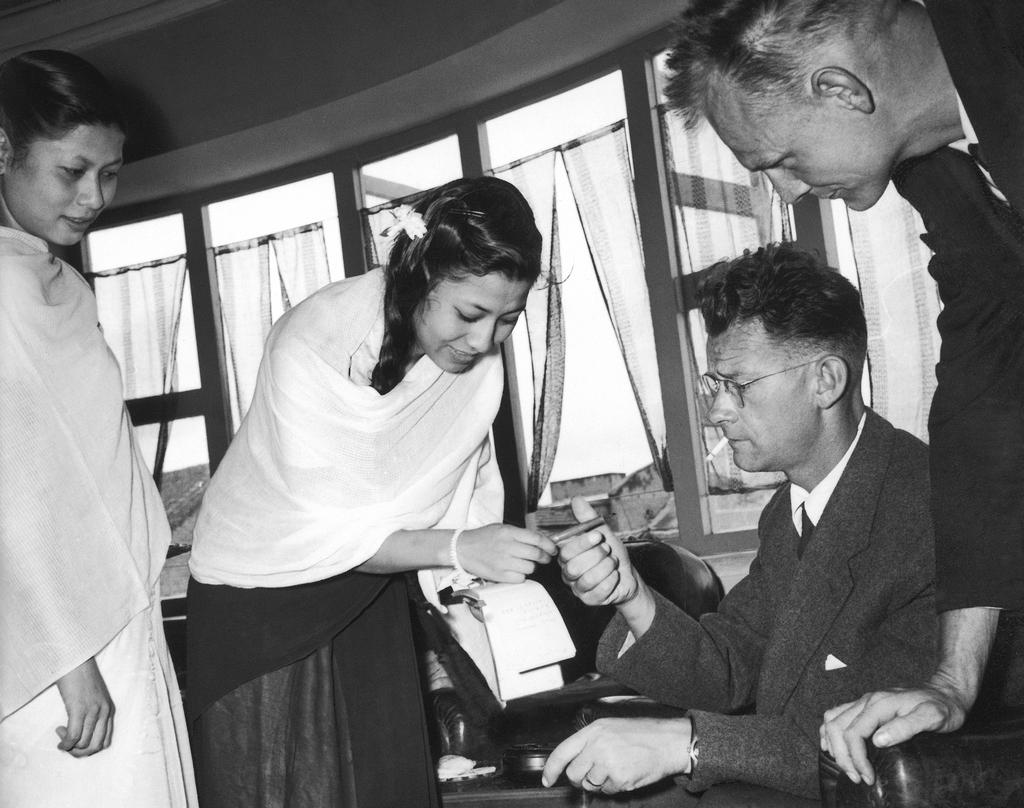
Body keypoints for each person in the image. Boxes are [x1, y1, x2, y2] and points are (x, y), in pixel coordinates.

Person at [661, 0, 1024, 786]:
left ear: (841, 90)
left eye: (780, 159)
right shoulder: (939, 170)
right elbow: (985, 393)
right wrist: (953, 681)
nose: (787, 193)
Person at [186, 175, 557, 808]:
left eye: (508, 319)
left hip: (370, 599)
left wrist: (484, 562)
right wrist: (462, 548)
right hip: (258, 614)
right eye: (469, 314)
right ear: (418, 276)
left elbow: (463, 493)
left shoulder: (473, 366)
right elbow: (330, 535)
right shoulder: (309, 346)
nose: (484, 341)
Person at [541, 244, 938, 804]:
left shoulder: (925, 507)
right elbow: (728, 666)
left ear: (826, 380)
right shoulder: (789, 511)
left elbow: (883, 742)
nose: (718, 411)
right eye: (714, 385)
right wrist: (629, 593)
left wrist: (688, 745)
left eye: (740, 386)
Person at [0, 50, 197, 806]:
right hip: (53, 647)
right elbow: (12, 490)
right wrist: (66, 656)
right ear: (5, 150)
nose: (93, 197)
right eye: (72, 170)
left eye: (110, 173)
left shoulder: (57, 281)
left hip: (114, 610)